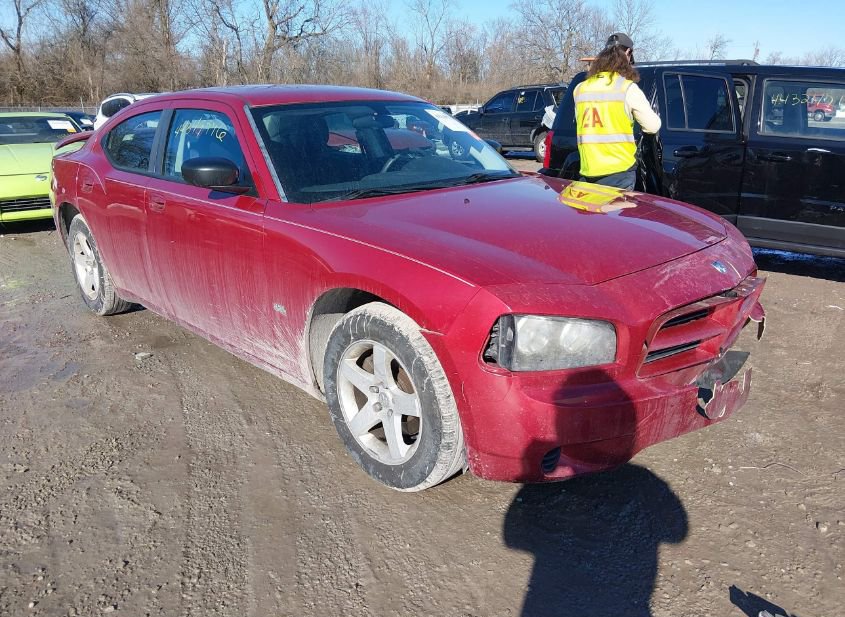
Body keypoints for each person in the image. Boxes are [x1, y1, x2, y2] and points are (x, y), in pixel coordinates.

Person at [573, 32, 661, 190]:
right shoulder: (627, 88)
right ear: (627, 53)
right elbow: (652, 126)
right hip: (619, 173)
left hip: (588, 172)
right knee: (615, 215)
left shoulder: (580, 89)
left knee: (595, 214)